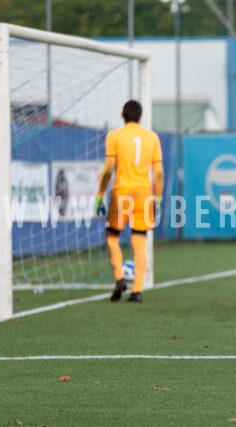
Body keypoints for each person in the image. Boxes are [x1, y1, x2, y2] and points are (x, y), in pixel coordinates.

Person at [94, 100, 164, 303]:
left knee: (112, 237)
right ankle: (138, 291)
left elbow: (108, 169)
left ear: (122, 115)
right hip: (144, 192)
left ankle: (119, 279)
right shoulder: (152, 137)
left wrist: (100, 195)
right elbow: (158, 171)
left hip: (122, 191)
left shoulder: (114, 136)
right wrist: (158, 197)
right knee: (139, 241)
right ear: (141, 117)